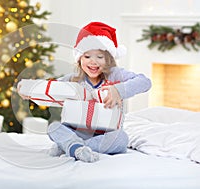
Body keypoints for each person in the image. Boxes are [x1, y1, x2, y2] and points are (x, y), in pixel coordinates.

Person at [18, 21, 151, 163]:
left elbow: (145, 82)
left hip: (103, 135)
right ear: (79, 59)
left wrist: (118, 90)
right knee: (54, 128)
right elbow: (49, 88)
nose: (93, 62)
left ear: (109, 59)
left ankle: (72, 147)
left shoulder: (115, 75)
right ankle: (74, 146)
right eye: (87, 56)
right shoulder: (72, 79)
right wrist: (28, 90)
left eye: (100, 57)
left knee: (122, 139)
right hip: (74, 130)